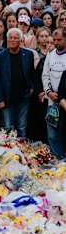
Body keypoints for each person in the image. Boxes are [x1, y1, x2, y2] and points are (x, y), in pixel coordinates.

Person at [0, 28, 35, 137]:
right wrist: (0, 99)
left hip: (23, 96)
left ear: (21, 40)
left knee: (22, 126)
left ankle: (23, 152)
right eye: (10, 38)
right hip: (7, 98)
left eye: (15, 38)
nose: (12, 40)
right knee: (8, 127)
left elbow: (31, 73)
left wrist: (31, 88)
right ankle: (9, 152)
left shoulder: (28, 54)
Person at [42, 28, 66, 157]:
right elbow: (45, 75)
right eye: (54, 40)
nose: (56, 42)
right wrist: (49, 92)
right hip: (52, 100)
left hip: (65, 101)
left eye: (59, 40)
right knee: (52, 133)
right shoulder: (50, 55)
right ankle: (58, 159)